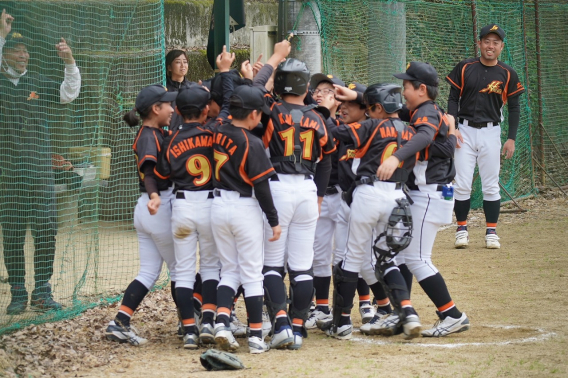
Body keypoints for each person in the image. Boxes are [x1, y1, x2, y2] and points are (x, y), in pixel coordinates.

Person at [372, 63, 470, 337]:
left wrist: (395, 157)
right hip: (427, 193)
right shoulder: (421, 110)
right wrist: (351, 94)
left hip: (430, 194)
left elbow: (425, 135)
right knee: (402, 255)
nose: (403, 91)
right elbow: (389, 108)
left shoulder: (426, 112)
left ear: (422, 89)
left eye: (406, 86)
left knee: (416, 258)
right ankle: (404, 312)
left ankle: (452, 314)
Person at [319, 83, 417, 340]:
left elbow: (335, 134)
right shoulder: (410, 131)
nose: (370, 112)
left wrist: (327, 113)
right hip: (397, 196)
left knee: (351, 259)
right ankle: (407, 312)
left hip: (368, 193)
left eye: (372, 108)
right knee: (386, 259)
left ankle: (340, 323)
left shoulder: (372, 125)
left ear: (378, 108)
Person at [253, 47, 337, 350]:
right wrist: (318, 195)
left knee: (272, 266)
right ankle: (299, 327)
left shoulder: (272, 111)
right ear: (305, 86)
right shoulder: (318, 117)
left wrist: (270, 68)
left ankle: (282, 323)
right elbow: (327, 160)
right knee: (302, 267)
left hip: (277, 187)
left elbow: (255, 91)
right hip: (306, 189)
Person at [0, 9, 81, 315]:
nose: (23, 54)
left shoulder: (37, 81)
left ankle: (42, 291)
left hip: (39, 173)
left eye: (25, 50)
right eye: (16, 49)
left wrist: (69, 61)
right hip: (9, 173)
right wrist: (2, 35)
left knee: (46, 229)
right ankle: (18, 292)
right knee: (13, 232)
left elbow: (69, 93)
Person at [153, 48, 234, 349]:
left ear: (177, 110)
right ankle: (210, 323)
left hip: (182, 205)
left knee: (184, 271)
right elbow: (226, 105)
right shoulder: (214, 130)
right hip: (210, 204)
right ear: (203, 111)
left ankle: (188, 330)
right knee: (212, 267)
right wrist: (224, 72)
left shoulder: (170, 138)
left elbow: (162, 174)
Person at [211, 84, 281, 354]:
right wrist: (274, 220)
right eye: (259, 114)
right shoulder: (250, 142)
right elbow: (262, 188)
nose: (261, 118)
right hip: (243, 208)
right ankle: (254, 337)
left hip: (218, 206)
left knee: (229, 270)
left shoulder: (219, 131)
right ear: (252, 114)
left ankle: (220, 323)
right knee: (252, 273)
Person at [105, 84, 177, 346]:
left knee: (148, 272)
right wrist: (155, 196)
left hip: (146, 208)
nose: (172, 108)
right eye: (167, 104)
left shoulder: (156, 131)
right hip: (155, 206)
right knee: (180, 270)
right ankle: (189, 324)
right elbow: (149, 171)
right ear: (155, 109)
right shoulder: (148, 135)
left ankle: (120, 323)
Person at [446, 24, 525, 249]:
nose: (490, 46)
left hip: (492, 131)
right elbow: (453, 99)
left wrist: (511, 138)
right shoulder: (465, 67)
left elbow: (514, 108)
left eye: (495, 42)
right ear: (479, 43)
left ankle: (491, 231)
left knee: (491, 184)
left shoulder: (508, 73)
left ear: (501, 46)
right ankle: (461, 229)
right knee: (461, 183)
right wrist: (453, 127)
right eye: (486, 41)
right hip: (465, 131)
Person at [165, 49, 193, 131]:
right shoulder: (163, 88)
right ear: (169, 67)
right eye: (178, 62)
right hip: (169, 135)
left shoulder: (193, 87)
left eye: (185, 62)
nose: (183, 65)